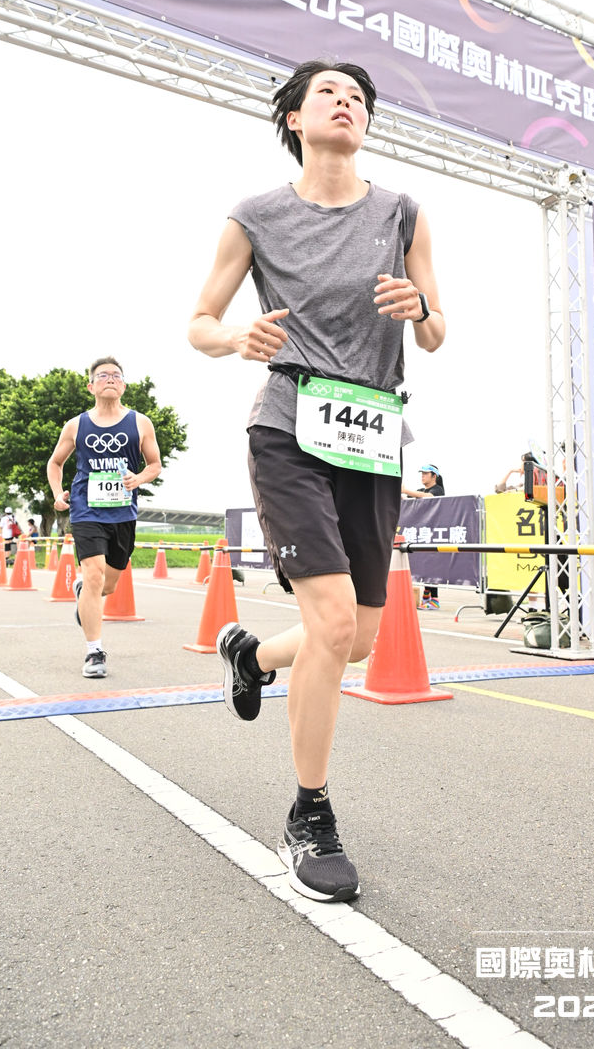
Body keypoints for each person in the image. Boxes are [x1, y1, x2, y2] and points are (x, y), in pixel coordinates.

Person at [188, 59, 444, 903]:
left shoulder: (402, 213)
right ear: (295, 118)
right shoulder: (255, 214)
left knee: (357, 639)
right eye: (329, 92)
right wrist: (236, 340)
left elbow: (436, 330)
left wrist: (420, 311)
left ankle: (252, 654)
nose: (347, 103)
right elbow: (199, 322)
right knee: (331, 623)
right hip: (289, 426)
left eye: (358, 97)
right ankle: (309, 814)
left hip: (372, 433)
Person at [46, 357, 162, 679]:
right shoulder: (76, 425)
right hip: (86, 510)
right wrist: (57, 494)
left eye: (116, 375)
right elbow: (55, 463)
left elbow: (154, 464)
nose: (110, 379)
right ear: (91, 386)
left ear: (123, 385)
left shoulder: (141, 423)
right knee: (94, 576)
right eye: (102, 375)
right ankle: (94, 651)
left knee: (107, 585)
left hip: (123, 513)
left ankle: (83, 591)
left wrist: (139, 478)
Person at [401, 465, 445, 607]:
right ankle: (426, 597)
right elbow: (407, 499)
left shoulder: (438, 490)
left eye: (426, 474)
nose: (422, 476)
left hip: (434, 532)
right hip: (423, 532)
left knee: (432, 565)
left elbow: (429, 497)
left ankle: (435, 600)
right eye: (422, 473)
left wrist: (406, 490)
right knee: (425, 564)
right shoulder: (420, 490)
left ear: (434, 476)